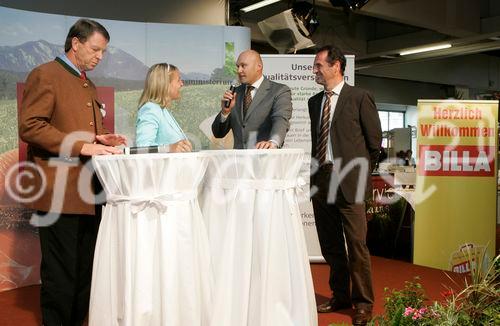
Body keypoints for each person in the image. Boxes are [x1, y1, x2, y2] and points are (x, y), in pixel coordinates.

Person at [18, 19, 126, 326]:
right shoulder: (45, 75)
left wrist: (99, 138)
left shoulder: (85, 81)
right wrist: (84, 146)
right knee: (61, 274)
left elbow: (79, 127)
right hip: (59, 192)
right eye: (95, 49)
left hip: (88, 192)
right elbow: (31, 127)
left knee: (84, 270)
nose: (99, 57)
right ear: (75, 43)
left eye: (103, 52)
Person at [308, 45, 382, 326]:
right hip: (321, 180)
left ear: (336, 66)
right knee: (330, 245)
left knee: (356, 245)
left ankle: (363, 304)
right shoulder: (315, 102)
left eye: (318, 65)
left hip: (351, 180)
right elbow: (319, 142)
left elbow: (374, 145)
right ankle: (340, 295)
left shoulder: (360, 97)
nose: (314, 70)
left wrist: (359, 173)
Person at [211, 49, 292, 149]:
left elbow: (281, 120)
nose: (239, 70)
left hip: (265, 159)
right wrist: (225, 112)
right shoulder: (235, 92)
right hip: (238, 162)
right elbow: (218, 133)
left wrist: (273, 142)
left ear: (259, 67)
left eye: (243, 65)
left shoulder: (279, 91)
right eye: (238, 66)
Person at [135, 63, 192, 152]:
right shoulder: (150, 109)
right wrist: (169, 148)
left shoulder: (162, 110)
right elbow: (143, 147)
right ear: (165, 83)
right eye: (178, 80)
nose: (182, 84)